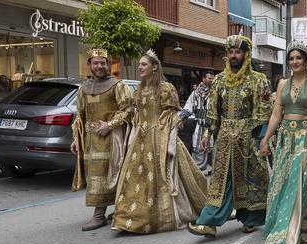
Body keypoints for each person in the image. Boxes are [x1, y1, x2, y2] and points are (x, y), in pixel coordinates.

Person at [112, 50, 208, 233]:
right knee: (134, 179)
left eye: (144, 64)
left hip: (159, 137)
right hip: (139, 139)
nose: (140, 67)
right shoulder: (138, 90)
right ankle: (129, 218)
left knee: (166, 175)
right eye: (139, 64)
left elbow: (171, 114)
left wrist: (169, 130)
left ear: (154, 67)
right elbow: (134, 112)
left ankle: (159, 217)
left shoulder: (165, 89)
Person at [187, 35, 271, 238]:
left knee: (251, 180)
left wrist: (260, 139)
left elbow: (263, 110)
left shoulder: (258, 80)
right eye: (231, 52)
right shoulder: (219, 80)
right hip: (224, 137)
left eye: (238, 52)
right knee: (221, 180)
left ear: (246, 54)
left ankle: (251, 218)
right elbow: (213, 110)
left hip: (248, 137)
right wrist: (208, 133)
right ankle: (209, 222)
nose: (234, 56)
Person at [260, 41, 307, 244]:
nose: (295, 62)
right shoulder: (282, 85)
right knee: (281, 183)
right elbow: (276, 114)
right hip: (285, 138)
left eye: (299, 58)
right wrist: (266, 138)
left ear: (306, 62)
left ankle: (289, 237)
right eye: (291, 58)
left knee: (297, 184)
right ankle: (283, 228)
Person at [70, 48, 133, 231]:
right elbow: (80, 116)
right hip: (90, 140)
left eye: (103, 63)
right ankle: (114, 209)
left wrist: (109, 125)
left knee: (110, 174)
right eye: (96, 63)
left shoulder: (118, 85)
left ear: (108, 64)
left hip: (112, 138)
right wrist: (76, 138)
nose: (100, 66)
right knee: (95, 177)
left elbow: (128, 109)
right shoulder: (84, 88)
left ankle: (99, 215)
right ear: (89, 64)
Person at [181, 71, 214, 172]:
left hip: (212, 123)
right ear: (203, 79)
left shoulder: (215, 92)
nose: (212, 80)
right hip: (199, 124)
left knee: (211, 146)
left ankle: (208, 168)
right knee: (198, 146)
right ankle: (197, 170)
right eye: (210, 78)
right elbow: (189, 106)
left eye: (213, 78)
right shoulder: (196, 92)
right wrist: (182, 117)